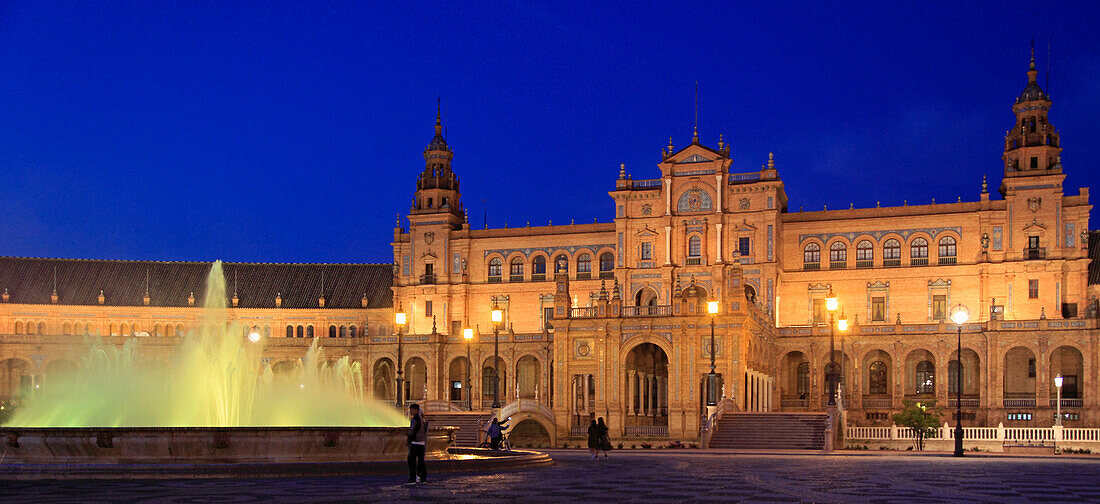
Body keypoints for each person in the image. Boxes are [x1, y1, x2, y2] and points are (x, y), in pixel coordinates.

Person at [405, 403, 428, 485]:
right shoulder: (423, 419)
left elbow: (412, 430)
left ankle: (412, 479)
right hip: (422, 443)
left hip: (415, 442)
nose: (410, 411)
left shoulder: (414, 419)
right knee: (421, 461)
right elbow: (425, 430)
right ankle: (422, 478)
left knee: (412, 461)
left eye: (412, 409)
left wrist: (408, 439)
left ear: (415, 410)